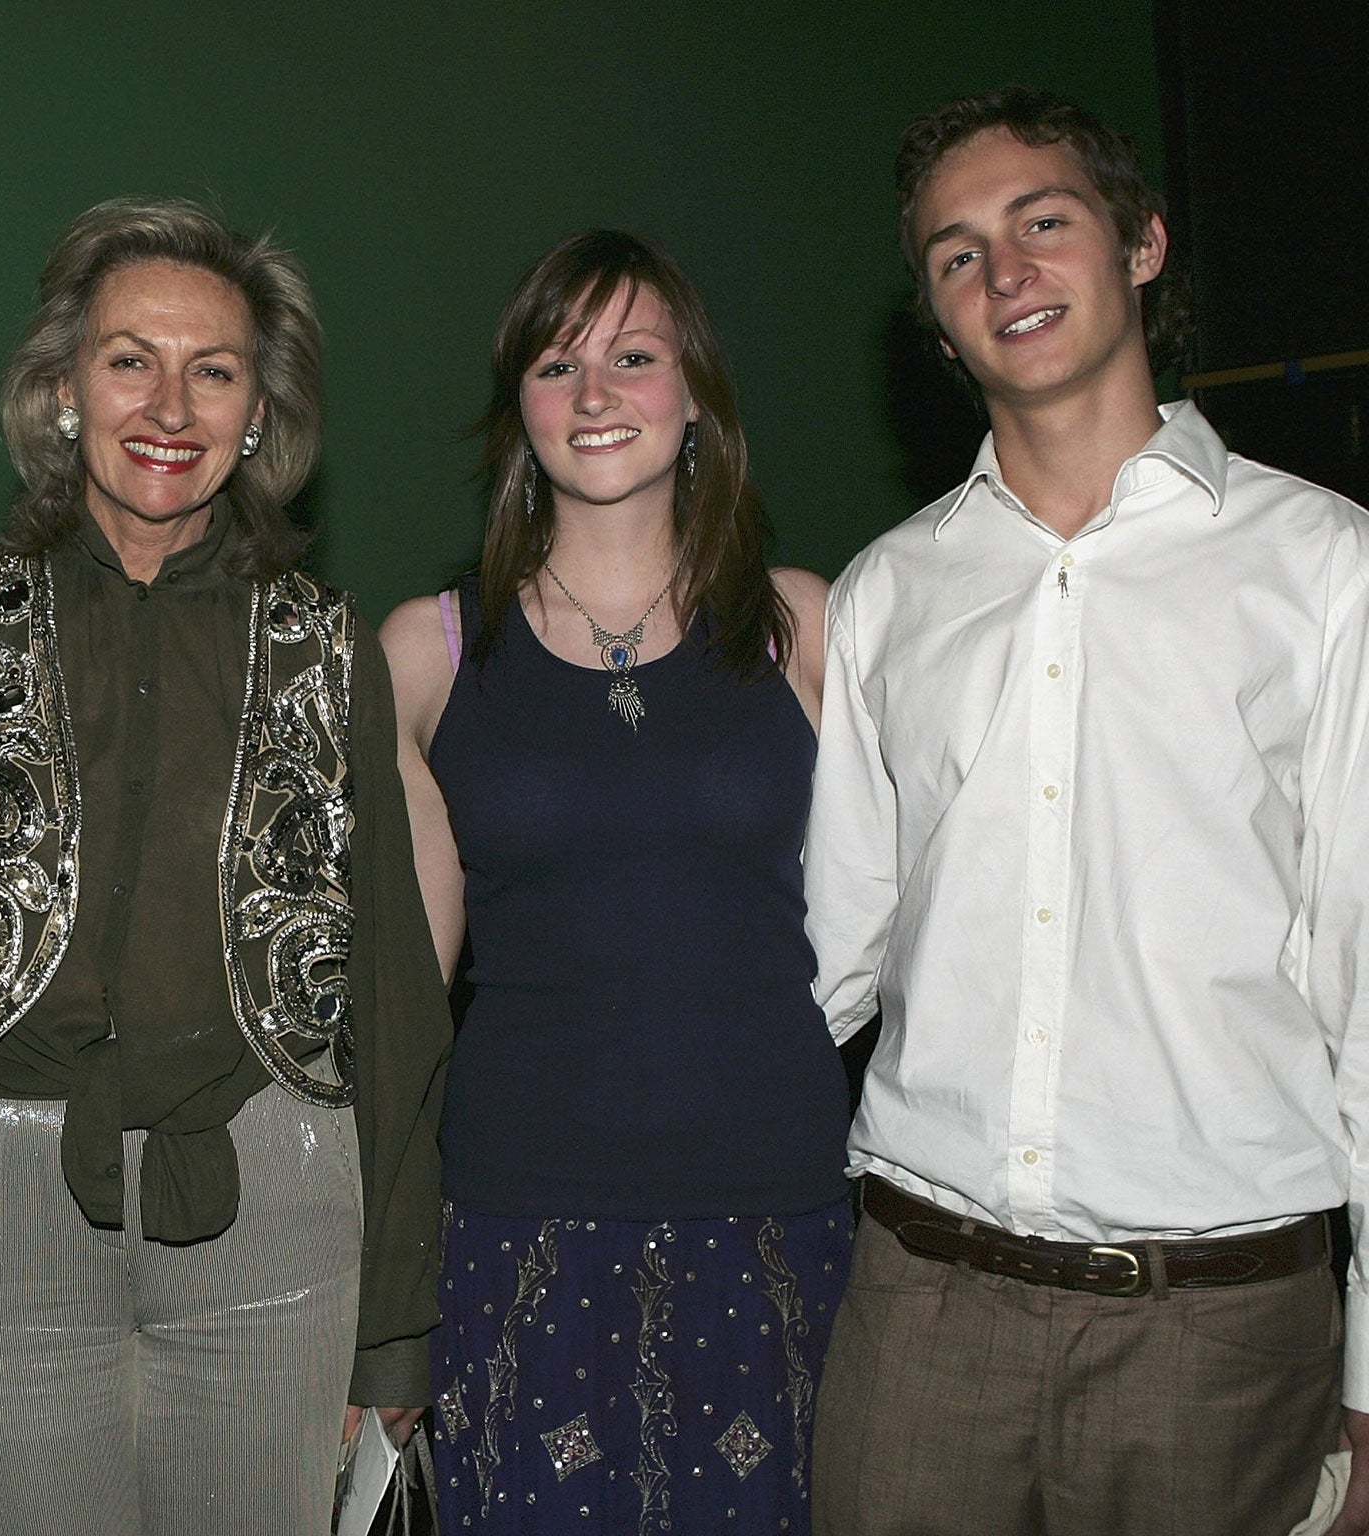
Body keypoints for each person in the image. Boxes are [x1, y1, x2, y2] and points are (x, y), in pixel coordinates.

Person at [805, 86, 1369, 1536]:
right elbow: (822, 968)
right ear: (937, 326)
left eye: (1043, 222)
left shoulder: (1322, 568)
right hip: (920, 1312)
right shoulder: (887, 592)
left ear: (1142, 246)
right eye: (956, 253)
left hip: (1222, 1331)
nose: (1004, 271)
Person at [0, 196, 451, 1536]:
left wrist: (395, 1328)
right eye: (131, 357)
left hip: (272, 1199)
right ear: (64, 388)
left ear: (259, 414)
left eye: (215, 370)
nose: (169, 405)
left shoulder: (324, 645)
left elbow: (395, 994)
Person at [381, 229, 851, 1534]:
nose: (596, 395)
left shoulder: (805, 627)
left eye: (635, 359)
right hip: (520, 1232)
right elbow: (399, 1006)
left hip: (782, 1220)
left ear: (694, 393)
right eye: (558, 363)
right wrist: (378, 1294)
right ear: (516, 408)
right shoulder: (426, 654)